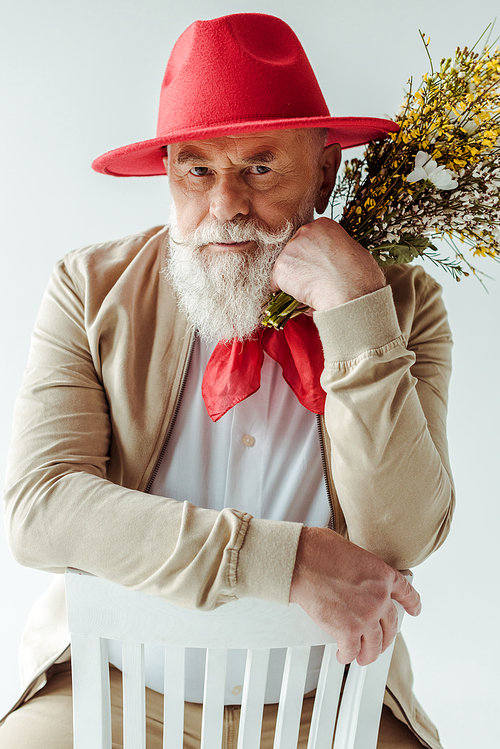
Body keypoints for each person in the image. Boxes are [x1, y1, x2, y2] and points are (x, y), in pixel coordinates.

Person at [1, 12, 454, 749]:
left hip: (327, 694)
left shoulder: (402, 303)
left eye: (261, 167)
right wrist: (285, 561)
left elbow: (402, 536)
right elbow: (42, 508)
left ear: (328, 170)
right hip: (114, 683)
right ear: (171, 171)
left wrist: (354, 310)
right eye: (198, 170)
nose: (226, 205)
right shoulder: (87, 289)